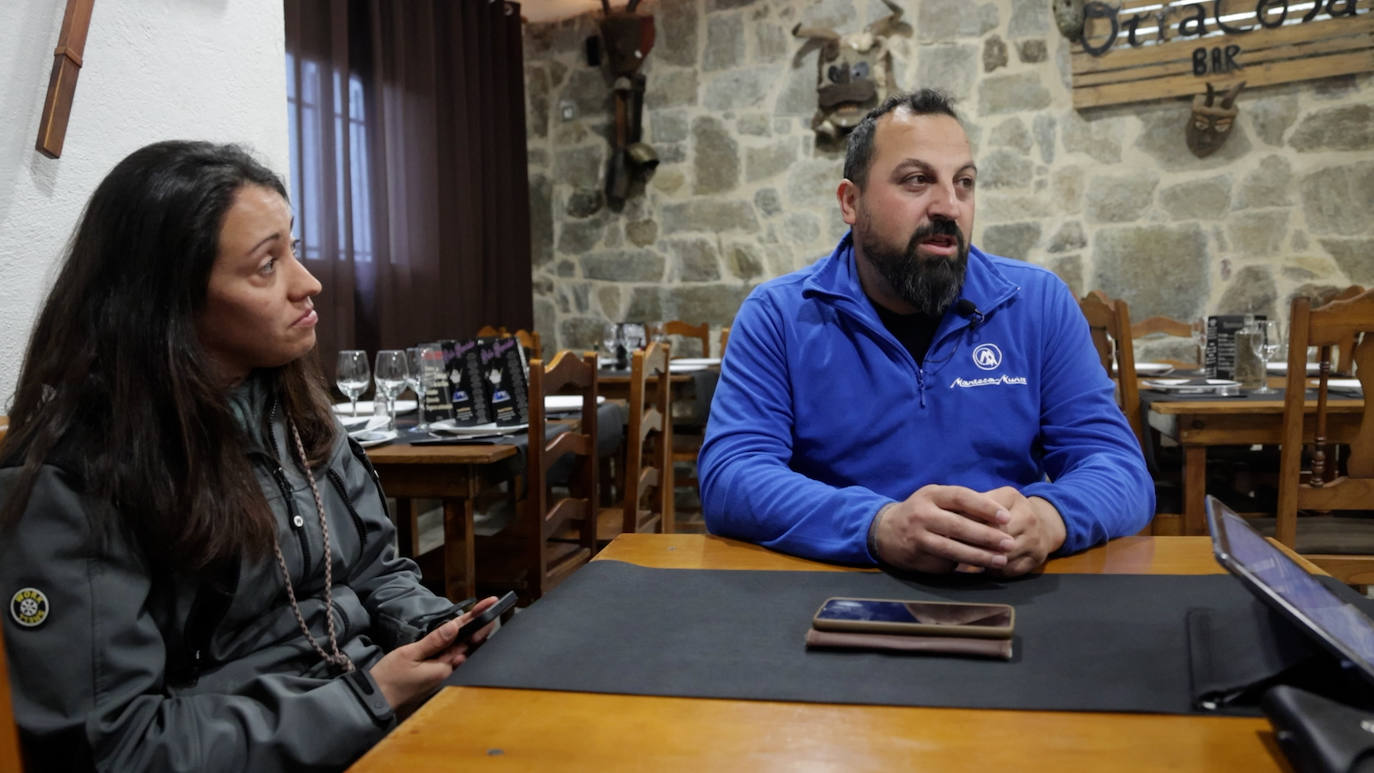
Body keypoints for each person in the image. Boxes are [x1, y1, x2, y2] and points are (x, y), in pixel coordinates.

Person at [0, 141, 502, 771]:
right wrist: (369, 696)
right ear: (168, 303)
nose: (309, 282)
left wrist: (440, 630)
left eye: (292, 247)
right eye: (268, 266)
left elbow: (378, 570)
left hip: (376, 713)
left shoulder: (292, 407)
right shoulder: (72, 482)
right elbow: (117, 747)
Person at [698, 90, 1153, 576]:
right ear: (851, 202)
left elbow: (1119, 468)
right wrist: (879, 526)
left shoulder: (1037, 304)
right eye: (917, 181)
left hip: (1008, 590)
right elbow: (732, 477)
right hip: (839, 591)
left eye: (964, 183)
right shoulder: (780, 316)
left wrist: (1049, 517)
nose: (949, 206)